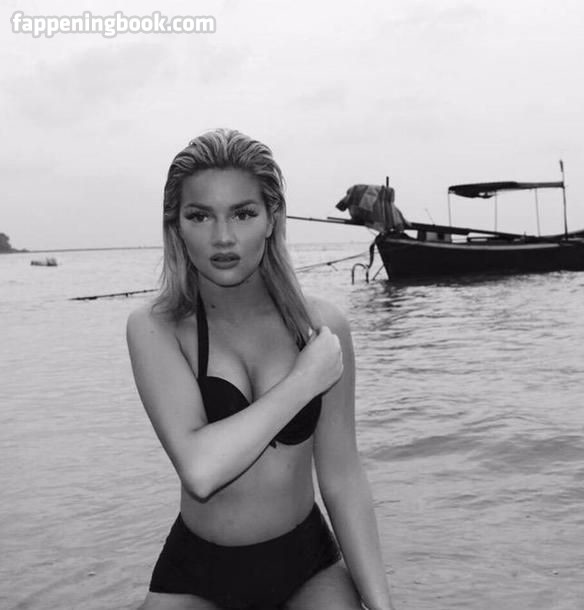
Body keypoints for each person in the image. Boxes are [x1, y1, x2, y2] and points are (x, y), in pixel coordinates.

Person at [127, 128, 394, 610]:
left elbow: (342, 478)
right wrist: (303, 382)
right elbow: (200, 469)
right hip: (197, 574)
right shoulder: (156, 327)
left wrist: (382, 606)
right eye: (200, 215)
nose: (223, 237)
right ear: (176, 225)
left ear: (273, 219)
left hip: (306, 566)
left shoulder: (321, 328)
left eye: (243, 213)